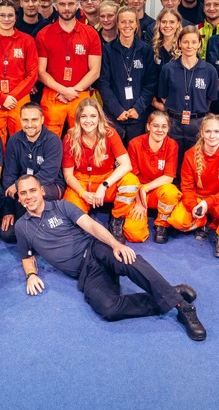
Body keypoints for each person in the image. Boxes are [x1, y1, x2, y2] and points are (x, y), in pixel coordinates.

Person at [14, 174, 205, 341]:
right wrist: (31, 274)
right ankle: (172, 292)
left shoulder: (61, 206)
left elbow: (91, 226)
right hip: (86, 272)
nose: (29, 196)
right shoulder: (22, 227)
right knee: (108, 308)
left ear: (41, 191)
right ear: (19, 198)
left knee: (130, 261)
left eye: (32, 190)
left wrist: (115, 245)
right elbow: (27, 256)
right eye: (23, 193)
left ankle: (183, 307)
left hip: (96, 248)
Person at [163, 114, 219, 257]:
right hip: (199, 202)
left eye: (216, 132)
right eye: (208, 131)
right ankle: (203, 221)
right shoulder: (190, 154)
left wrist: (209, 202)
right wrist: (192, 206)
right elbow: (187, 187)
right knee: (177, 222)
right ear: (201, 133)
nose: (212, 136)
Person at [60, 98, 140, 240]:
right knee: (69, 224)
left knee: (131, 181)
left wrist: (104, 186)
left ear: (99, 118)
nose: (88, 120)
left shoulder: (110, 133)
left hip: (105, 181)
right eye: (84, 116)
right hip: (82, 183)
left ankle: (117, 219)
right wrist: (83, 193)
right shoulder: (70, 137)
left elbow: (126, 165)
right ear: (78, 118)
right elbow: (68, 175)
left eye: (93, 116)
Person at [37, 0, 103, 136]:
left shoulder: (90, 33)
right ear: (56, 5)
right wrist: (63, 90)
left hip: (80, 94)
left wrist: (72, 91)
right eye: (62, 4)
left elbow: (95, 71)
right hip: (53, 95)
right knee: (50, 140)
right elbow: (40, 72)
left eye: (70, 4)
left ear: (77, 5)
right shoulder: (43, 34)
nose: (66, 8)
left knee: (84, 138)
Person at [0, 1, 39, 144]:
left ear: (15, 18)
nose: (6, 19)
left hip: (19, 99)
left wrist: (12, 97)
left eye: (10, 15)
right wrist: (1, 97)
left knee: (23, 141)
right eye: (2, 15)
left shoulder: (26, 40)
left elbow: (32, 73)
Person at [0, 102, 64, 243]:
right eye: (25, 120)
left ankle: (42, 231)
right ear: (20, 120)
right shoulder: (14, 140)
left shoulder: (53, 141)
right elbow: (9, 176)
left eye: (34, 119)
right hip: (22, 192)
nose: (30, 124)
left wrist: (18, 186)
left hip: (50, 187)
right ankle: (38, 233)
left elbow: (48, 175)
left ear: (42, 120)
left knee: (35, 194)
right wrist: (8, 209)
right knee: (7, 234)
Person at [156, 25, 219, 163]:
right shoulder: (168, 69)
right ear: (179, 43)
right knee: (173, 160)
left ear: (199, 45)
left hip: (198, 122)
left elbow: (210, 97)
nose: (189, 46)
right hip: (173, 122)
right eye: (185, 42)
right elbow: (163, 95)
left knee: (196, 161)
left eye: (193, 42)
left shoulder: (209, 70)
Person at [97, 6, 157, 143]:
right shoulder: (107, 50)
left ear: (136, 24)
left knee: (135, 155)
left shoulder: (146, 50)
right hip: (114, 115)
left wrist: (138, 108)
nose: (127, 26)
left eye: (131, 21)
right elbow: (103, 83)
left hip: (138, 115)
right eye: (123, 22)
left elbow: (151, 83)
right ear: (117, 24)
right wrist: (117, 110)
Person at [126, 111, 179, 243]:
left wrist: (145, 188)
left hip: (157, 193)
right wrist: (139, 197)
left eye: (164, 126)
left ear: (168, 128)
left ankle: (162, 224)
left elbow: (169, 177)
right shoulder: (135, 144)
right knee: (134, 235)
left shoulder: (172, 145)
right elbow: (132, 177)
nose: (159, 130)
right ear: (148, 126)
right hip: (137, 193)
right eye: (155, 126)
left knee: (171, 191)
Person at [150, 8, 182, 78]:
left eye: (172, 22)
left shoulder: (184, 47)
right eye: (164, 22)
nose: (167, 25)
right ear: (159, 24)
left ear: (178, 24)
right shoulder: (153, 47)